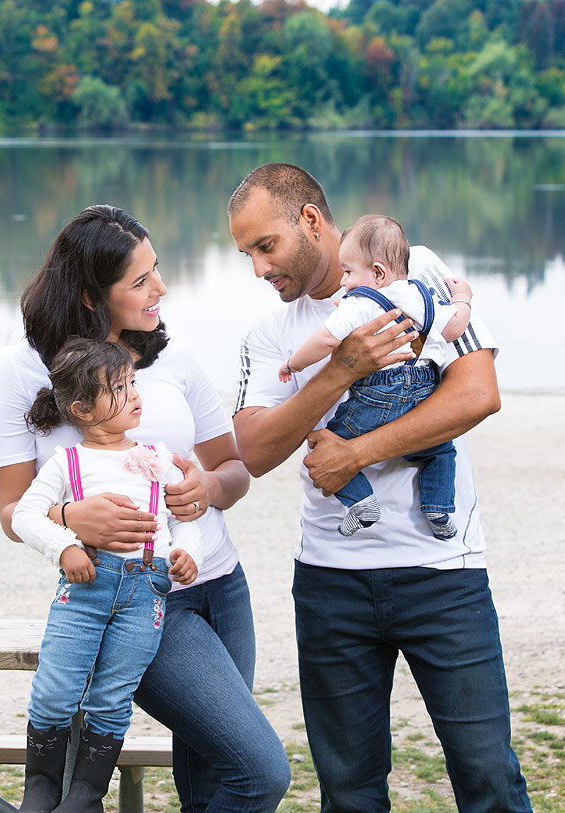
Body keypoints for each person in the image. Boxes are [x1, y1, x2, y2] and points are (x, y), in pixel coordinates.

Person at [227, 163, 531, 813]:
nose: (258, 268)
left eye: (265, 246)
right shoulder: (272, 333)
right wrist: (342, 368)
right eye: (246, 254)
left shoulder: (414, 267)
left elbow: (478, 391)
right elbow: (254, 451)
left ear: (310, 220)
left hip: (442, 570)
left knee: (488, 777)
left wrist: (357, 453)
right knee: (349, 792)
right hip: (331, 582)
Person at [0, 204, 290, 813]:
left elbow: (234, 471)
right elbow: (12, 509)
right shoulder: (21, 372)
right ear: (94, 297)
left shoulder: (175, 361)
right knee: (260, 773)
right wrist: (72, 520)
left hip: (221, 586)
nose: (161, 289)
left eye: (158, 271)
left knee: (213, 782)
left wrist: (208, 488)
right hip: (134, 602)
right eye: (141, 280)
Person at [11, 337, 203, 812]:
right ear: (82, 408)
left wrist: (186, 553)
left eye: (132, 382)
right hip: (86, 585)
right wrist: (64, 548)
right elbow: (24, 515)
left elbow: (184, 517)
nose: (134, 393)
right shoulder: (68, 462)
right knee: (56, 687)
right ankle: (40, 786)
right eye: (118, 388)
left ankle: (86, 794)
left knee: (112, 694)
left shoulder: (157, 457)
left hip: (147, 588)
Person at [278, 214, 474, 539]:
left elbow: (326, 340)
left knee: (326, 448)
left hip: (377, 397)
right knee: (441, 450)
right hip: (421, 391)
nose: (343, 281)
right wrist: (463, 299)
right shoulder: (418, 295)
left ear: (378, 272)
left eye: (349, 272)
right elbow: (455, 327)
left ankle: (362, 502)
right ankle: (438, 507)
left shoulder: (358, 303)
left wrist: (293, 364)